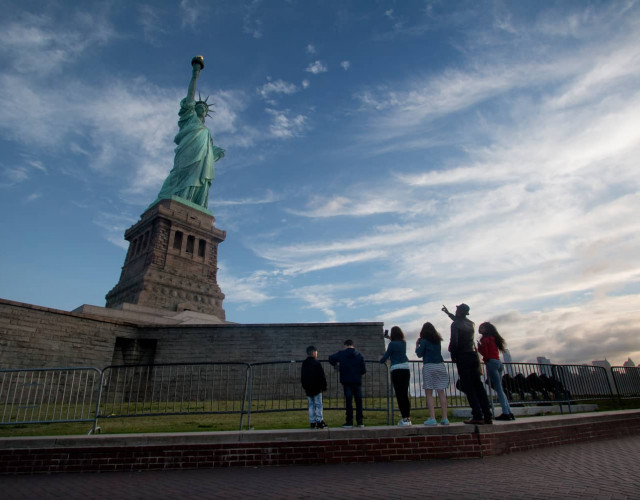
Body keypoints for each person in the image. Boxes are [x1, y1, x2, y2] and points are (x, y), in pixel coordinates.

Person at [153, 55, 225, 209]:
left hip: (202, 159)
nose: (203, 108)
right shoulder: (190, 117)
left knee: (199, 179)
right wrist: (195, 75)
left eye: (205, 108)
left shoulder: (206, 131)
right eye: (200, 106)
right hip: (188, 152)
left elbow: (209, 151)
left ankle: (191, 202)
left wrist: (215, 151)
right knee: (180, 174)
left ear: (206, 114)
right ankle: (178, 198)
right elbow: (191, 96)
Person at [443, 303, 492, 425]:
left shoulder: (455, 324)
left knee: (468, 386)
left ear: (460, 312)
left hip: (463, 356)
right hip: (473, 356)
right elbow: (459, 322)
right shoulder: (471, 324)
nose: (455, 311)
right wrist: (448, 313)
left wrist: (453, 354)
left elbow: (454, 341)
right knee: (479, 386)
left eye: (457, 310)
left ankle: (477, 415)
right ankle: (487, 415)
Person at [478, 322, 515, 421]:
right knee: (500, 388)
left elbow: (485, 353)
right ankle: (509, 411)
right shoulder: (493, 338)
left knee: (498, 388)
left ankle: (506, 413)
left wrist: (479, 348)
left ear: (486, 329)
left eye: (482, 327)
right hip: (498, 362)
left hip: (491, 362)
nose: (479, 329)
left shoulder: (485, 339)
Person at [415, 322, 449, 426]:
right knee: (441, 392)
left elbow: (419, 354)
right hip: (440, 365)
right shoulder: (437, 340)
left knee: (429, 393)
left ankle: (432, 418)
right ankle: (445, 418)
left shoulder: (424, 341)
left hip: (429, 366)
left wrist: (417, 345)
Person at [329, 340, 366, 428]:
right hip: (357, 381)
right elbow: (363, 370)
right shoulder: (359, 355)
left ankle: (349, 422)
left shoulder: (342, 353)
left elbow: (330, 358)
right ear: (353, 345)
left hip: (347, 381)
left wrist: (337, 365)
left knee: (349, 401)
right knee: (359, 401)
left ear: (345, 345)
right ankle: (360, 422)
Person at [380, 327, 412, 426]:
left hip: (396, 370)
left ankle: (404, 419)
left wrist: (381, 359)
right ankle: (407, 418)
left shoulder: (392, 344)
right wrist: (388, 337)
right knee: (405, 394)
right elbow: (396, 343)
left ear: (393, 334)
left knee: (399, 394)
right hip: (406, 369)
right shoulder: (404, 343)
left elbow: (386, 355)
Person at [301, 345, 328, 429]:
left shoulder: (304, 363)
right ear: (313, 352)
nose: (317, 354)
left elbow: (303, 376)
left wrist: (304, 386)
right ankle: (320, 421)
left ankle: (312, 422)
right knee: (319, 404)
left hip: (308, 388)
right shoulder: (317, 363)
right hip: (317, 387)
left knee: (311, 405)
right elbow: (321, 376)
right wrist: (324, 386)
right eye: (316, 352)